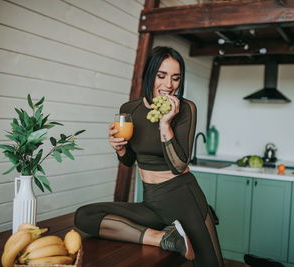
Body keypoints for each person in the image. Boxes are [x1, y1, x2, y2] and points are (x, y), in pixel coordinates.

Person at [75, 46, 224, 267]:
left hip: (184, 201)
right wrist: (120, 149)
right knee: (84, 216)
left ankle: (189, 226)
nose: (168, 85)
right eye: (161, 76)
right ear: (149, 75)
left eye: (175, 78)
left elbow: (179, 165)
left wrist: (165, 124)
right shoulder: (130, 109)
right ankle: (165, 238)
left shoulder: (185, 109)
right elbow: (129, 162)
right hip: (151, 202)